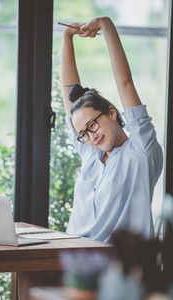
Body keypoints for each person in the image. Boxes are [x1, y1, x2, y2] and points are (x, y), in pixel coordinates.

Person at [60, 16, 163, 242]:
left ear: (112, 113)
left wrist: (106, 26)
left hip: (116, 266)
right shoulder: (90, 152)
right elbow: (69, 90)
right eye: (83, 134)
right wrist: (67, 37)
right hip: (72, 256)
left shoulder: (141, 152)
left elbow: (125, 83)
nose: (90, 136)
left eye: (92, 125)